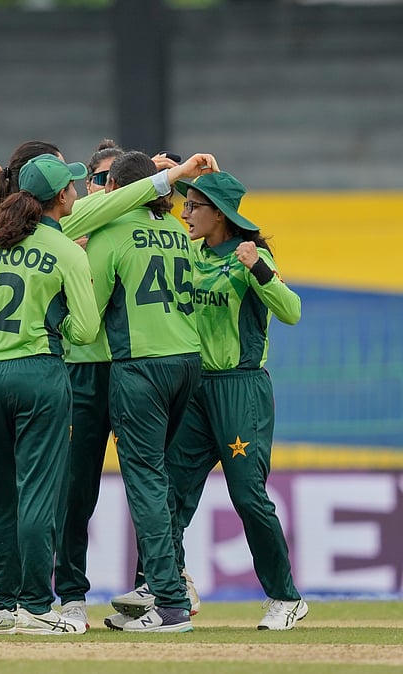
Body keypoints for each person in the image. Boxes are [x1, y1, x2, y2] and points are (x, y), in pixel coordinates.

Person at [0, 154, 102, 636]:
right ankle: (37, 607)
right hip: (38, 372)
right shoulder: (67, 251)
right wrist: (51, 317)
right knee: (36, 493)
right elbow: (85, 330)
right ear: (61, 197)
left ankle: (2, 607)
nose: (77, 191)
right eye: (73, 187)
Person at [166, 171, 307, 630]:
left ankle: (286, 598)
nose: (184, 214)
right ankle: (171, 584)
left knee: (247, 496)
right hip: (195, 389)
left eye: (193, 207)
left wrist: (257, 267)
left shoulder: (253, 255)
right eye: (184, 205)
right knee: (167, 491)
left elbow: (291, 311)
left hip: (240, 389)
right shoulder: (188, 252)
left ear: (220, 215)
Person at [78, 151, 204, 633]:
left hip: (140, 367)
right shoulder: (176, 231)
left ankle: (169, 603)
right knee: (165, 478)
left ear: (115, 189)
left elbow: (89, 320)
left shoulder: (109, 234)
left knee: (146, 479)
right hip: (186, 362)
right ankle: (161, 585)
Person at [54, 140, 124, 628]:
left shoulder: (136, 228)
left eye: (108, 180)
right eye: (95, 179)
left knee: (148, 482)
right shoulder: (67, 229)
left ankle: (160, 585)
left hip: (128, 367)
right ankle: (71, 593)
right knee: (76, 489)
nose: (100, 187)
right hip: (79, 368)